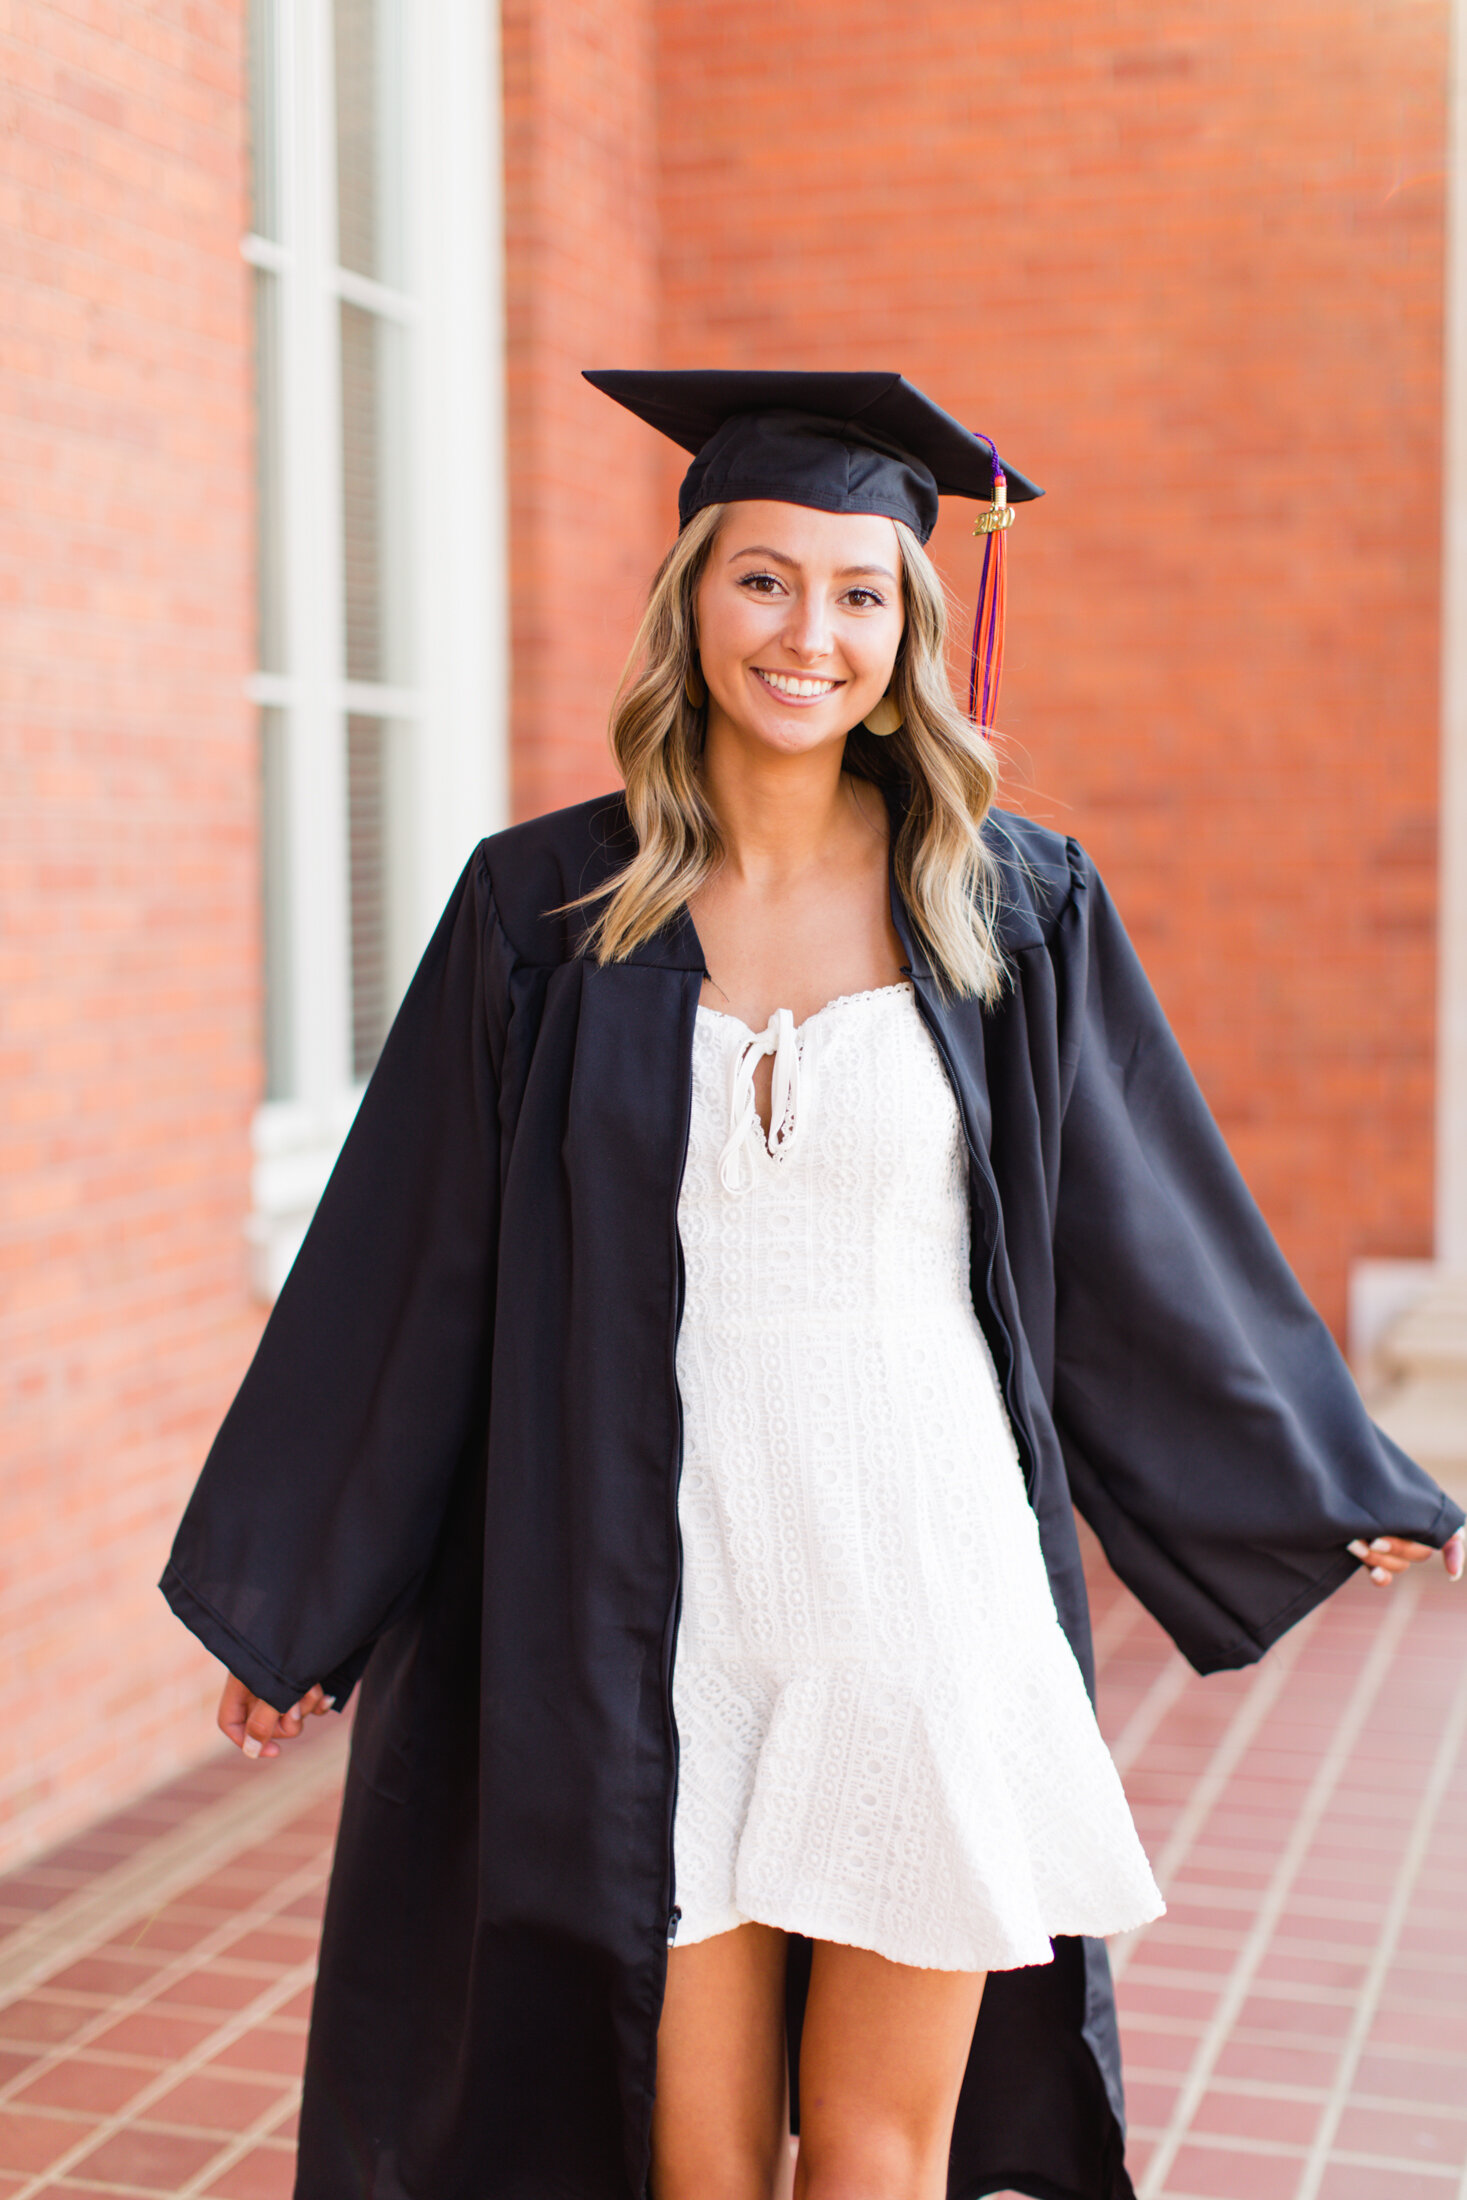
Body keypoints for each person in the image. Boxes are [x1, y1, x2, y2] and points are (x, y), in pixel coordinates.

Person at [165, 371, 1466, 2200]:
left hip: (916, 1600)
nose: (811, 634)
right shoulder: (543, 909)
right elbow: (413, 1258)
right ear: (691, 597)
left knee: (875, 2153)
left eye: (862, 594)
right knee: (688, 2157)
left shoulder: (1006, 904)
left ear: (913, 629)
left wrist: (1328, 1476)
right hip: (649, 1608)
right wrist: (293, 1589)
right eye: (765, 580)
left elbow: (1135, 1231)